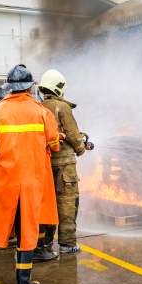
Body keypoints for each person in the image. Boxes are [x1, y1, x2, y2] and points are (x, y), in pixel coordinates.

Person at [0, 64, 60, 284]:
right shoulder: (43, 112)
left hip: (1, 182)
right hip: (31, 184)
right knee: (26, 232)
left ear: (10, 87)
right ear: (31, 87)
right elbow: (54, 144)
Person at [38, 69, 94, 255]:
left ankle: (45, 244)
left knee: (47, 204)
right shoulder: (62, 107)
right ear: (59, 88)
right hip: (64, 166)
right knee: (67, 203)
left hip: (45, 163)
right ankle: (68, 244)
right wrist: (81, 148)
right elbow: (72, 134)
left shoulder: (38, 107)